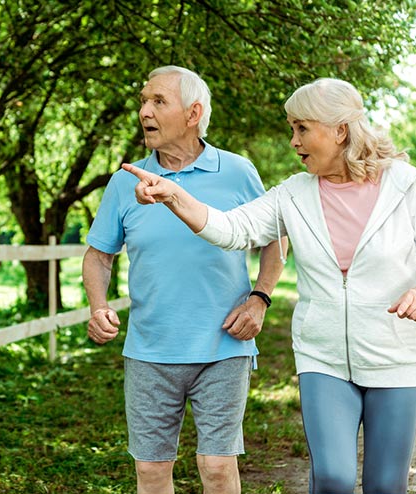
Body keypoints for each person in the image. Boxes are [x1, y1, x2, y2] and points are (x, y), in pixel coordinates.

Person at [122, 77, 416, 493]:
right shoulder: (293, 194)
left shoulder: (406, 184)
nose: (293, 141)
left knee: (384, 484)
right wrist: (174, 196)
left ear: (340, 130)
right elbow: (232, 228)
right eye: (292, 129)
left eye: (302, 129)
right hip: (321, 358)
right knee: (333, 477)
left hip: (397, 355)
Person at [82, 65, 285, 494]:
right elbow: (99, 256)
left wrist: (259, 299)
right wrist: (98, 305)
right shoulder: (125, 181)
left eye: (158, 101)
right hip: (150, 350)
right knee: (152, 472)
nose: (144, 111)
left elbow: (274, 240)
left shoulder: (237, 171)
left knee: (215, 465)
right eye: (143, 101)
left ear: (193, 114)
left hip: (223, 345)